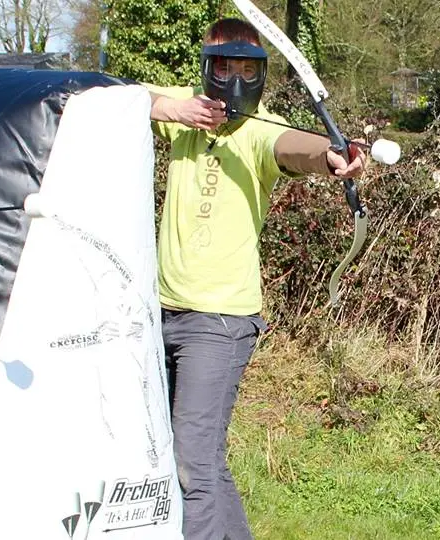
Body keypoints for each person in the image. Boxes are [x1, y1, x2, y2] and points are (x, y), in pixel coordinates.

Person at [144, 18, 366, 540]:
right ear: (207, 65)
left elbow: (295, 146)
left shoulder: (260, 129)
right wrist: (172, 108)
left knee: (192, 465)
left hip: (219, 321)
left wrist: (332, 155)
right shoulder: (183, 112)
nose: (235, 79)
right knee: (195, 460)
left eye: (248, 68)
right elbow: (108, 97)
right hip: (160, 311)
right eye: (224, 65)